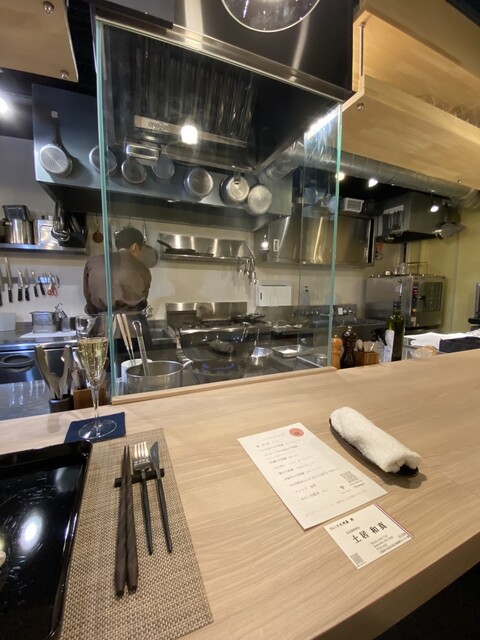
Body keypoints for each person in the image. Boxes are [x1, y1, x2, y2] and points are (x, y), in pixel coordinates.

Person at [83, 226, 153, 349]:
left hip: (103, 330)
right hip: (134, 330)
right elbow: (143, 301)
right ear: (135, 247)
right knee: (138, 362)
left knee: (105, 362)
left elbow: (89, 300)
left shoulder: (92, 263)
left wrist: (101, 316)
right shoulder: (143, 268)